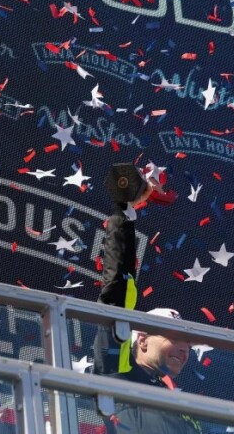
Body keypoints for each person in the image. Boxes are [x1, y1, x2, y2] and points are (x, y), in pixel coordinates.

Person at [94, 169, 202, 434]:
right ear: (141, 339)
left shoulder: (182, 406)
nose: (184, 349)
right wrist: (125, 211)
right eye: (174, 337)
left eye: (186, 342)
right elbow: (117, 291)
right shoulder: (118, 377)